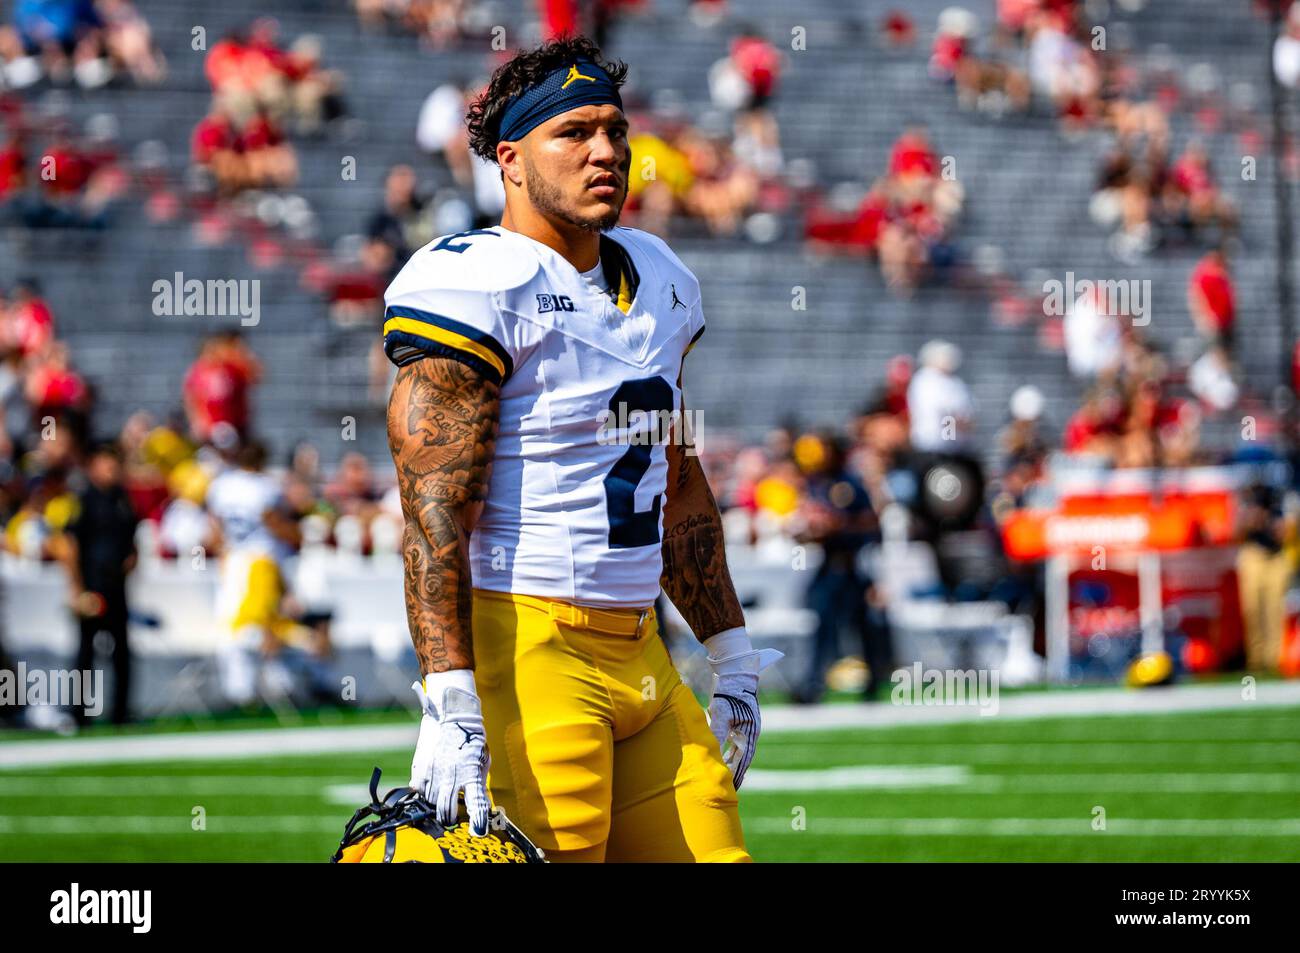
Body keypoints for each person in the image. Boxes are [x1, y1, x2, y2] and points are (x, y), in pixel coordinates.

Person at [383, 36, 780, 863]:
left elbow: (674, 476)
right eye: (575, 133)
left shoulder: (661, 280)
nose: (608, 151)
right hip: (527, 647)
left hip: (641, 647)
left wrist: (731, 653)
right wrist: (450, 693)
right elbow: (431, 507)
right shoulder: (479, 283)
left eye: (616, 130)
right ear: (512, 160)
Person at [60, 441, 139, 725]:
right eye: (107, 463)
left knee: (122, 652)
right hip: (92, 585)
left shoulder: (122, 499)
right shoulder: (83, 500)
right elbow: (69, 546)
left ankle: (121, 713)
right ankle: (79, 714)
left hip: (117, 586)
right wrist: (77, 589)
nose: (112, 470)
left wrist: (133, 558)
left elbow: (132, 537)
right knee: (86, 653)